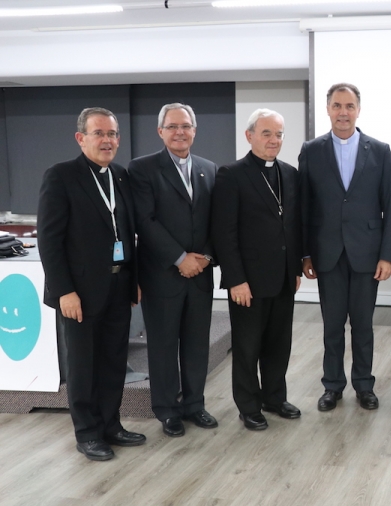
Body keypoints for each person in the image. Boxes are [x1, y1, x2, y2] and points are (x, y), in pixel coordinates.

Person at [37, 107, 145, 461]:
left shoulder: (121, 176)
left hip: (118, 287)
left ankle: (111, 425)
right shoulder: (61, 176)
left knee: (114, 361)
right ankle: (87, 433)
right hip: (79, 293)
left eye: (112, 134)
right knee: (83, 366)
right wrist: (64, 290)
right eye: (99, 133)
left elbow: (128, 234)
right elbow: (50, 241)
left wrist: (133, 282)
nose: (107, 140)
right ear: (80, 137)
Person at [298, 83, 391, 412]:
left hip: (367, 253)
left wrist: (388, 255)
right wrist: (306, 253)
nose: (343, 112)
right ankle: (332, 386)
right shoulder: (311, 150)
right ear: (328, 109)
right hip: (327, 252)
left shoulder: (380, 150)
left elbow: (390, 206)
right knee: (331, 325)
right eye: (337, 105)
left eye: (349, 106)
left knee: (364, 325)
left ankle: (364, 385)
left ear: (358, 110)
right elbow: (305, 207)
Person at [129, 103, 219, 437]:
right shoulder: (142, 169)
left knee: (197, 344)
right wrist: (181, 258)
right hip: (163, 274)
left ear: (194, 130)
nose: (179, 132)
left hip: (201, 274)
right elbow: (145, 221)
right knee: (164, 346)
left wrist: (205, 257)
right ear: (160, 131)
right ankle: (167, 409)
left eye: (186, 126)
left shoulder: (210, 169)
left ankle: (195, 404)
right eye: (172, 126)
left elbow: (217, 222)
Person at [211, 109, 302, 431]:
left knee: (279, 344)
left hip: (282, 278)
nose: (274, 140)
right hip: (247, 281)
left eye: (278, 134)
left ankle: (275, 398)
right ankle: (248, 405)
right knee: (248, 348)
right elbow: (225, 233)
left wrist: (296, 269)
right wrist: (235, 279)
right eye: (266, 133)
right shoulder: (231, 175)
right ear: (249, 136)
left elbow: (292, 225)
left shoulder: (289, 174)